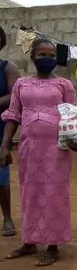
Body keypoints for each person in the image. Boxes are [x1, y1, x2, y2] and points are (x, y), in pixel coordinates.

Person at [0, 38, 77, 266]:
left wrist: (75, 140)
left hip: (57, 149)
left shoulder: (64, 85)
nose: (48, 59)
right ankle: (30, 241)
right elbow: (13, 116)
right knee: (30, 193)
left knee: (54, 194)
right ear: (32, 56)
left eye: (52, 55)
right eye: (42, 55)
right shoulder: (22, 85)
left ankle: (53, 245)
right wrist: (4, 145)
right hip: (29, 148)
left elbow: (72, 116)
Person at [0, 27, 21, 237]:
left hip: (0, 127)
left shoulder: (7, 67)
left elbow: (15, 94)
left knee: (1, 176)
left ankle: (7, 217)